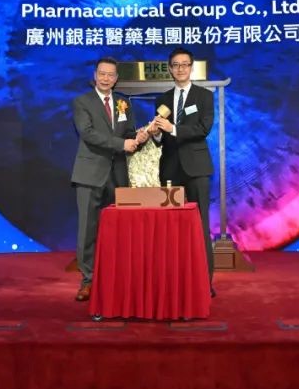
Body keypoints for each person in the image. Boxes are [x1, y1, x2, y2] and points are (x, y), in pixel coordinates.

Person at [70, 57, 147, 301]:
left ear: (116, 78)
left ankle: (117, 279)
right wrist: (122, 144)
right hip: (90, 174)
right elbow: (88, 134)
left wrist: (141, 136)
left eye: (110, 75)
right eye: (102, 74)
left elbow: (129, 134)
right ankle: (88, 280)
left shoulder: (124, 102)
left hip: (118, 174)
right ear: (95, 75)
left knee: (119, 231)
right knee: (87, 230)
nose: (105, 78)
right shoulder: (82, 102)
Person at [151, 47, 215, 295]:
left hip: (197, 169)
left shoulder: (204, 96)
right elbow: (161, 139)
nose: (180, 69)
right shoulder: (162, 98)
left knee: (200, 225)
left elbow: (203, 129)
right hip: (170, 169)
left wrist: (173, 128)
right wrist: (157, 134)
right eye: (176, 65)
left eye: (185, 64)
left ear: (191, 67)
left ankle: (205, 283)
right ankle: (174, 282)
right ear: (170, 68)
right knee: (171, 227)